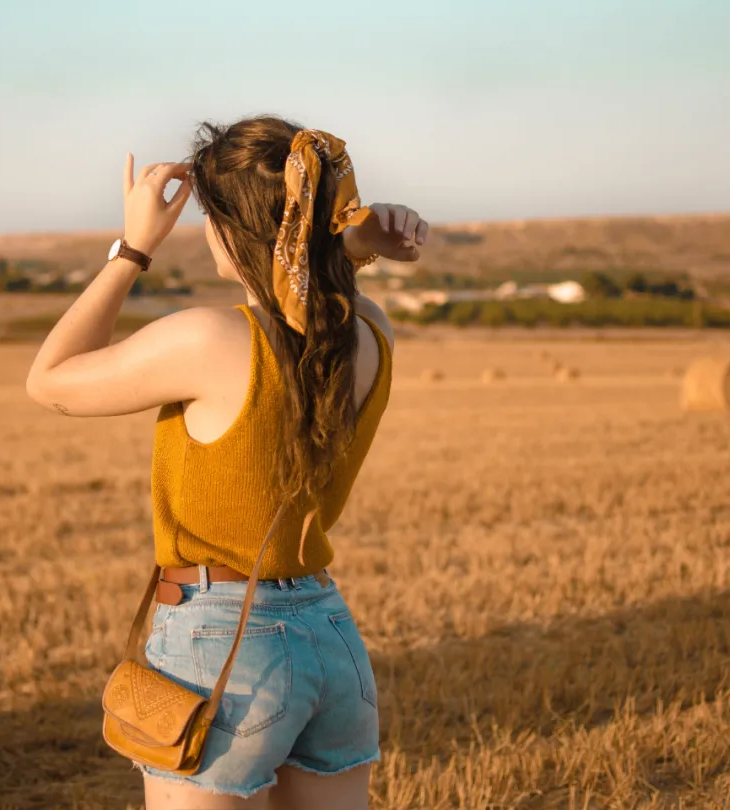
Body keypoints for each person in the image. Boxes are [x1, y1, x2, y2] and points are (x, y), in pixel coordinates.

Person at [25, 115, 428, 810]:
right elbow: (315, 296)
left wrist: (132, 249)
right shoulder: (371, 333)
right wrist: (351, 244)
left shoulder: (207, 340)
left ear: (228, 227)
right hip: (330, 636)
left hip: (223, 643)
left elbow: (51, 381)